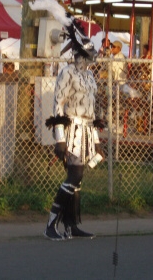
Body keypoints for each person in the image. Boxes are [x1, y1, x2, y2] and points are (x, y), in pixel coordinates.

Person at [44, 18, 105, 241]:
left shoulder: (89, 76)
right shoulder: (67, 73)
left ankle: (71, 225)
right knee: (74, 175)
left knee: (78, 181)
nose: (91, 61)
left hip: (87, 130)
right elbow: (58, 104)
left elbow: (91, 109)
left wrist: (96, 140)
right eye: (88, 56)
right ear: (79, 54)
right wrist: (59, 138)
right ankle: (51, 224)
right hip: (72, 131)